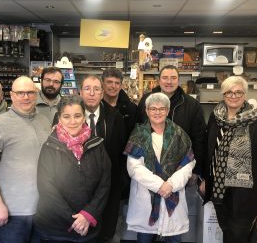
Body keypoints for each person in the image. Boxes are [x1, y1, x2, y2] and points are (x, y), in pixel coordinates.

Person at [201, 76, 257, 243]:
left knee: (238, 234)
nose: (234, 95)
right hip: (219, 189)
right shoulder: (216, 118)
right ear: (223, 94)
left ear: (245, 94)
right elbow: (210, 151)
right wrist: (205, 179)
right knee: (226, 230)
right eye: (229, 92)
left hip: (248, 192)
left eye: (238, 92)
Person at [0, 76, 51, 243]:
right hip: (12, 213)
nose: (25, 97)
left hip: (43, 210)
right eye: (20, 93)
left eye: (30, 92)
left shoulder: (44, 122)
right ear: (11, 95)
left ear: (36, 93)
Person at [34, 95, 111, 243]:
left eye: (77, 116)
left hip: (89, 227)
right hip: (56, 229)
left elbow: (105, 184)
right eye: (66, 116)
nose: (72, 121)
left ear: (84, 117)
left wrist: (88, 214)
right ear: (59, 119)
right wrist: (75, 220)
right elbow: (46, 188)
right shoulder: (50, 146)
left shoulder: (97, 145)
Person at [125, 92, 195, 243]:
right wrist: (159, 185)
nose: (157, 112)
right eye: (153, 108)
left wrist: (171, 184)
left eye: (162, 109)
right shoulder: (138, 134)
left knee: (174, 238)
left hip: (172, 194)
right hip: (146, 198)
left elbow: (189, 163)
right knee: (144, 238)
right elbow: (134, 167)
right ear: (146, 110)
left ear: (168, 111)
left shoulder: (179, 134)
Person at [136, 65, 206, 181]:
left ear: (178, 81)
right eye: (165, 78)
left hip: (181, 168)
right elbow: (138, 132)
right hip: (149, 168)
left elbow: (199, 139)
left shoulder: (192, 105)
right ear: (159, 80)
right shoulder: (146, 101)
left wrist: (195, 170)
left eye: (173, 78)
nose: (169, 82)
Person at [79, 75, 127, 242]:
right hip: (79, 188)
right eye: (87, 89)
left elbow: (122, 153)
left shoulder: (116, 117)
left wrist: (120, 182)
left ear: (101, 93)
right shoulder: (68, 116)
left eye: (96, 89)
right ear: (80, 92)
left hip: (110, 187)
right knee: (81, 231)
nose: (92, 93)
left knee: (106, 232)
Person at [102, 68, 137, 138]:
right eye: (109, 82)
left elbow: (134, 136)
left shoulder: (131, 109)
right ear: (102, 84)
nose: (113, 86)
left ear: (121, 86)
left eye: (117, 83)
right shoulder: (96, 107)